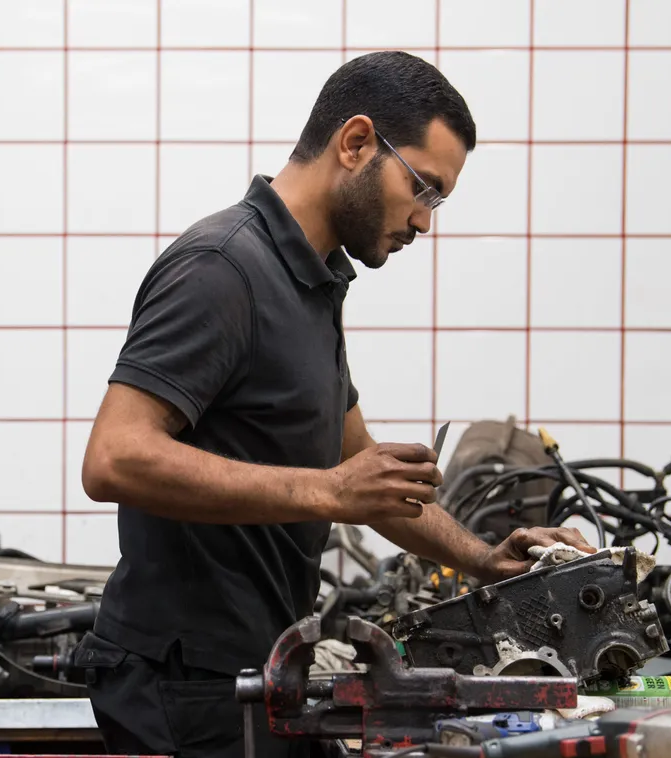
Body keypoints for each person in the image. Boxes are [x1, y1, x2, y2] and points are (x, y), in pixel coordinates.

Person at [71, 51, 595, 758]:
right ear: (354, 144)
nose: (423, 221)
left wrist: (486, 562)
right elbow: (113, 459)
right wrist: (328, 490)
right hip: (185, 687)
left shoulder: (309, 282)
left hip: (258, 673)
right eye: (424, 189)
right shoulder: (222, 268)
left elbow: (365, 480)